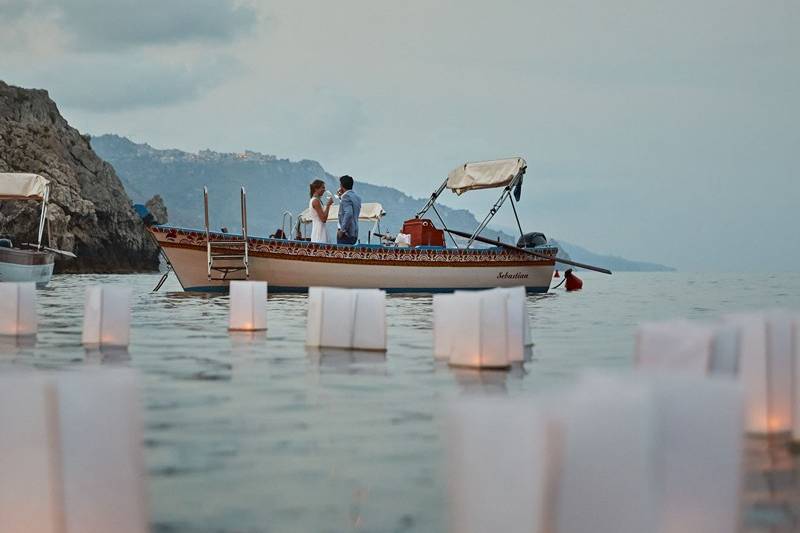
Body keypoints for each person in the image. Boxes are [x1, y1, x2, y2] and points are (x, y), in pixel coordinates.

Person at [336, 175, 362, 245]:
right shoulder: (357, 197)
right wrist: (341, 197)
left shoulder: (346, 197)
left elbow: (349, 213)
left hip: (346, 234)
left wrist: (342, 231)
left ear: (341, 185)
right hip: (354, 233)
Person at [308, 179, 333, 244]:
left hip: (319, 229)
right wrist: (328, 205)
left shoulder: (316, 200)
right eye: (323, 187)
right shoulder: (316, 201)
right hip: (319, 231)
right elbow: (323, 219)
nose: (324, 190)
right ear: (316, 189)